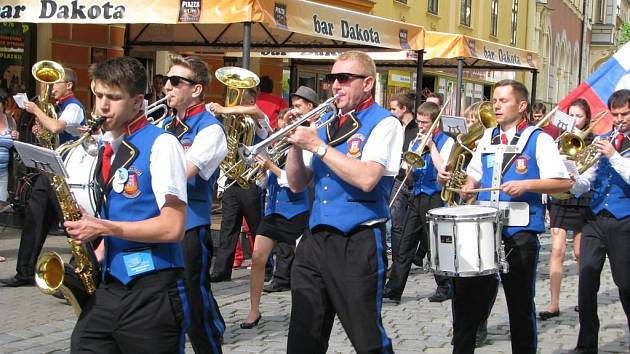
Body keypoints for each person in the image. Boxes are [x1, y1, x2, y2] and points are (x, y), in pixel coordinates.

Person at [64, 56, 190, 353]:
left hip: (153, 288)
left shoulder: (162, 144)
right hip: (111, 283)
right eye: (98, 96)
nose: (102, 106)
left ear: (137, 102)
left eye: (114, 98)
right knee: (84, 344)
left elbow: (173, 227)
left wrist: (105, 227)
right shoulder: (106, 146)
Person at [285, 50, 402, 353]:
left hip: (357, 239)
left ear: (367, 83)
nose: (335, 85)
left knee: (366, 337)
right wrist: (295, 144)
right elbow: (297, 183)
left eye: (345, 78)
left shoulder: (384, 123)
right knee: (303, 336)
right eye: (332, 78)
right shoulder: (326, 122)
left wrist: (317, 145)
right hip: (315, 239)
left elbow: (367, 179)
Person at [454, 80, 572, 353]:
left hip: (520, 233)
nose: (496, 105)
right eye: (494, 100)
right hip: (483, 230)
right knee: (467, 302)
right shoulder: (487, 137)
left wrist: (527, 185)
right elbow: (475, 172)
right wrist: (469, 184)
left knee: (519, 305)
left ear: (521, 106)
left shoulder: (538, 138)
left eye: (503, 100)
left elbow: (562, 182)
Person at [160, 55, 227, 353]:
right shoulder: (165, 124)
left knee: (194, 303)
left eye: (176, 82)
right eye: (166, 80)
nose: (167, 87)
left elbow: (181, 174)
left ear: (196, 89)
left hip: (191, 224)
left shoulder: (209, 129)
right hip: (159, 223)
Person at [1, 67, 86, 288]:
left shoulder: (74, 106)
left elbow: (57, 127)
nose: (51, 88)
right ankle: (24, 272)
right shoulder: (57, 107)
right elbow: (48, 132)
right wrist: (40, 130)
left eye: (55, 83)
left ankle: (83, 270)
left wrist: (38, 111)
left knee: (71, 224)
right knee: (34, 218)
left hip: (67, 173)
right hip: (49, 170)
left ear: (68, 85)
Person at [568, 89, 630, 354]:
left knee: (626, 283)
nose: (618, 119)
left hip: (624, 220)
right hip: (594, 218)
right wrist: (571, 176)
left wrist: (613, 156)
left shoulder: (613, 146)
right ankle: (586, 344)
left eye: (624, 114)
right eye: (615, 114)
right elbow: (585, 183)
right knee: (587, 277)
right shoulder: (603, 139)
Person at [383, 101, 454, 304]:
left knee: (433, 244)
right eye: (420, 122)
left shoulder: (446, 142)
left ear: (436, 123)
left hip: (435, 197)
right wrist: (410, 168)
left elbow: (444, 171)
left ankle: (445, 285)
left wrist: (431, 147)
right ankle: (394, 288)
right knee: (406, 242)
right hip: (416, 194)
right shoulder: (415, 141)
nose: (421, 126)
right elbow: (409, 174)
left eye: (425, 123)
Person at [241, 124, 310, 328]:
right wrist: (261, 172)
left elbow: (294, 183)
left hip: (296, 212)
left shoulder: (303, 151)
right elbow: (266, 184)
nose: (281, 134)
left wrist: (270, 166)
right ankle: (254, 310)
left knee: (304, 265)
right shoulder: (275, 150)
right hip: (272, 213)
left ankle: (307, 308)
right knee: (257, 258)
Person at [207, 88, 273, 282]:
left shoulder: (259, 121)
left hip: (251, 180)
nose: (234, 101)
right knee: (228, 227)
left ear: (251, 98)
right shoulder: (231, 122)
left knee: (257, 227)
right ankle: (221, 270)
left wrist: (226, 110)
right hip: (231, 180)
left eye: (240, 97)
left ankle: (267, 267)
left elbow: (256, 111)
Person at [539, 98, 595, 321]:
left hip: (582, 197)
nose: (574, 120)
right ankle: (553, 303)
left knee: (581, 253)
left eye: (579, 116)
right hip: (561, 197)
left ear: (587, 118)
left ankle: (584, 300)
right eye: (570, 115)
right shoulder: (559, 139)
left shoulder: (592, 140)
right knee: (557, 251)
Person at [263, 85, 319, 293]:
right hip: (283, 197)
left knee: (296, 243)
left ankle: (290, 278)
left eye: (298, 106)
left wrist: (271, 167)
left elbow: (300, 175)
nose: (294, 110)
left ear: (310, 106)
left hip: (304, 197)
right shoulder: (297, 130)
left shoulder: (314, 131)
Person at [388, 92, 418, 261]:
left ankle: (415, 254)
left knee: (413, 223)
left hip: (414, 179)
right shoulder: (394, 126)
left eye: (393, 109)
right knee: (395, 220)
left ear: (404, 109)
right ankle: (398, 259)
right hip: (399, 178)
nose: (391, 112)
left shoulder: (417, 128)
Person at [0, 88, 18, 202]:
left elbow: (14, 146)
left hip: (3, 174)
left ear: (3, 104)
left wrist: (16, 138)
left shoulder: (11, 121)